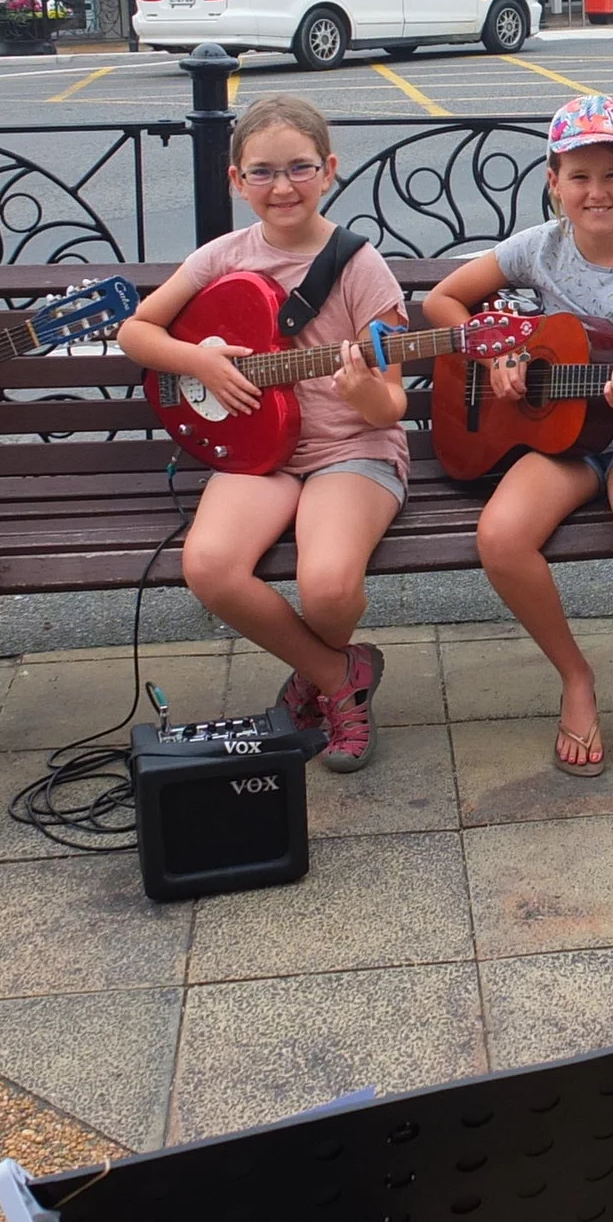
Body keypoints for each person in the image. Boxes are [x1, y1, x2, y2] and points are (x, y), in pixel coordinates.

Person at [119, 95, 407, 772]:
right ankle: (341, 678)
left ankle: (312, 682)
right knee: (209, 564)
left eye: (300, 167)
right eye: (263, 172)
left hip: (350, 448)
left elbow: (391, 402)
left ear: (329, 169)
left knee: (331, 584)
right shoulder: (220, 257)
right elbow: (135, 329)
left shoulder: (362, 268)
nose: (282, 186)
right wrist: (198, 361)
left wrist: (366, 391)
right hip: (260, 453)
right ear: (235, 180)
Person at [424, 94, 613, 776]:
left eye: (612, 175)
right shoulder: (538, 249)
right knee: (500, 536)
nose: (596, 191)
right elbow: (442, 301)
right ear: (553, 181)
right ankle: (574, 676)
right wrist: (497, 354)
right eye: (578, 176)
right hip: (562, 437)